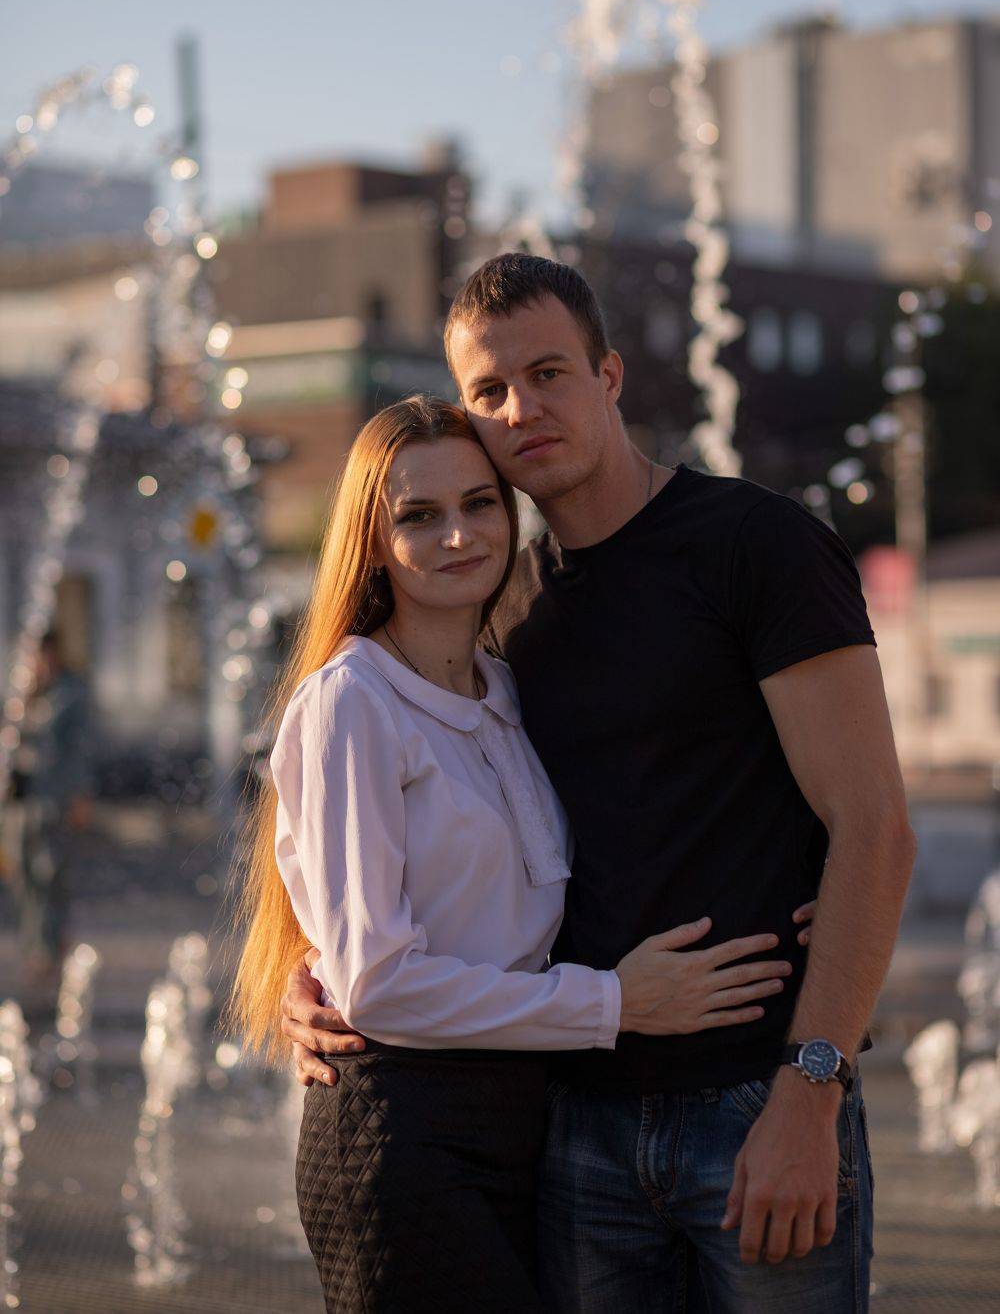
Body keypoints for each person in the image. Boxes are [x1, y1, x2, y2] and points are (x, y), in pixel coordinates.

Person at [281, 254, 916, 1313]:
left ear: (610, 375)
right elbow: (392, 846)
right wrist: (320, 970)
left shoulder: (755, 546)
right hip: (572, 1128)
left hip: (753, 1102)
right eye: (489, 391)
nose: (520, 410)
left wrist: (813, 1089)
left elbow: (877, 830)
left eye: (548, 374)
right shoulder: (501, 610)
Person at [227, 394, 809, 1314]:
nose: (459, 535)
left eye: (478, 504)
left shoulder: (504, 687)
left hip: (525, 1124)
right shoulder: (352, 702)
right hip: (406, 1138)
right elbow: (379, 985)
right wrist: (615, 1003)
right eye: (419, 516)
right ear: (372, 543)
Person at [4, 630, 93, 987]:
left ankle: (50, 950)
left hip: (53, 800)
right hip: (18, 804)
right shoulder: (20, 693)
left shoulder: (70, 694)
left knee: (49, 874)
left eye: (41, 655)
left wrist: (80, 794)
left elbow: (80, 749)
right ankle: (34, 948)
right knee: (22, 877)